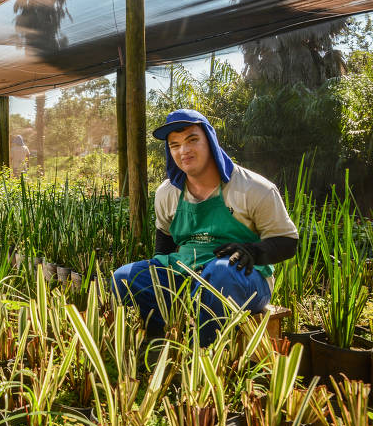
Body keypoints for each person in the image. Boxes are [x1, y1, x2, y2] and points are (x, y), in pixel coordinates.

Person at [111, 109, 298, 345]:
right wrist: (159, 276)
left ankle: (203, 356)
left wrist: (253, 251)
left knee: (219, 273)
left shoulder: (254, 189)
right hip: (186, 274)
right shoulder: (167, 193)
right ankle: (166, 342)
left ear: (210, 140)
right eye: (174, 145)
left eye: (192, 140)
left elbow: (288, 242)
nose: (183, 150)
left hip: (239, 278)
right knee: (125, 278)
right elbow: (165, 238)